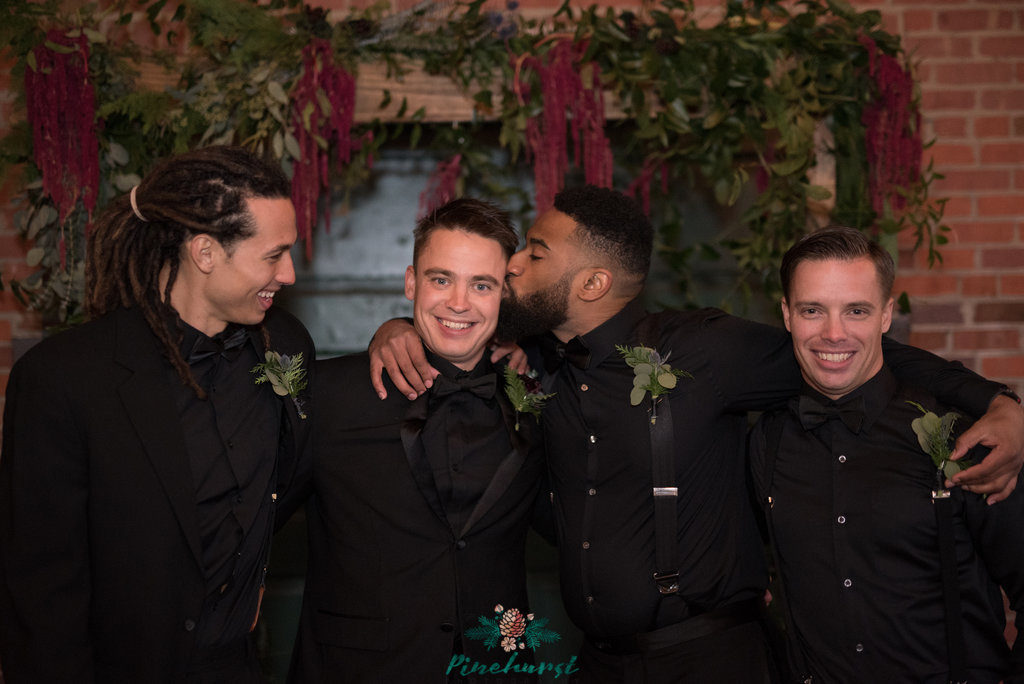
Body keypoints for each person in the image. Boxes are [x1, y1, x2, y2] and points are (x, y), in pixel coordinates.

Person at [368, 185, 1024, 683]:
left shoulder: (704, 350)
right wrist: (397, 328)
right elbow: (456, 320)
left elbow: (838, 347)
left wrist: (999, 401)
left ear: (592, 282)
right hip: (595, 663)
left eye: (534, 253)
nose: (512, 265)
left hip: (710, 661)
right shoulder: (537, 363)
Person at [0, 146, 315, 683]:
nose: (287, 274)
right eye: (273, 254)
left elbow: (290, 480)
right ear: (205, 251)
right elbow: (39, 596)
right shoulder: (65, 379)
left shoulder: (285, 346)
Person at [289, 198, 549, 683]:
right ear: (411, 282)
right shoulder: (328, 395)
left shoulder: (536, 399)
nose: (458, 302)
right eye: (440, 279)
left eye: (482, 285)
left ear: (504, 296)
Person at [748, 227, 1023, 683]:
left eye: (856, 310)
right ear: (787, 315)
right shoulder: (768, 440)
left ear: (886, 316)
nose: (833, 333)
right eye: (812, 310)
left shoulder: (962, 439)